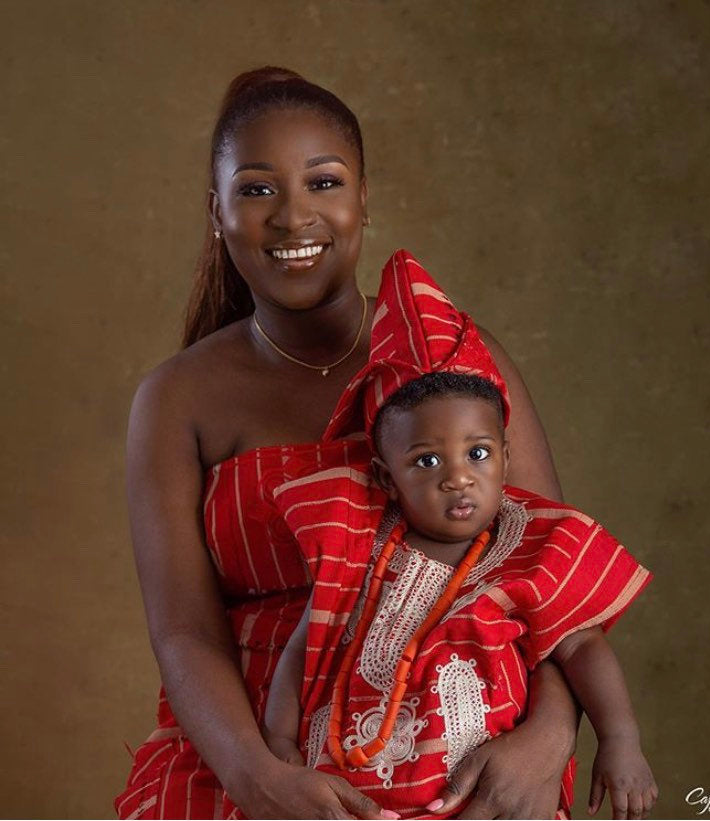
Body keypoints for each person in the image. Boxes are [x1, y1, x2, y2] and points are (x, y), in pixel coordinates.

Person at [116, 67, 582, 820]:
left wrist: (550, 736)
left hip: (467, 753)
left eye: (324, 182)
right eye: (258, 189)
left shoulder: (458, 360)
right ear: (217, 212)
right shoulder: (177, 399)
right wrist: (256, 777)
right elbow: (183, 631)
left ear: (364, 197)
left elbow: (553, 582)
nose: (293, 217)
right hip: (260, 758)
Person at [261, 251, 657, 820]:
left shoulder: (531, 551)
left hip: (479, 798)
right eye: (425, 462)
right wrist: (278, 748)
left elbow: (583, 647)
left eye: (478, 453)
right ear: (385, 478)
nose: (457, 477)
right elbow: (305, 647)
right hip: (349, 799)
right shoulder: (356, 550)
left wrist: (620, 741)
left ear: (505, 456)